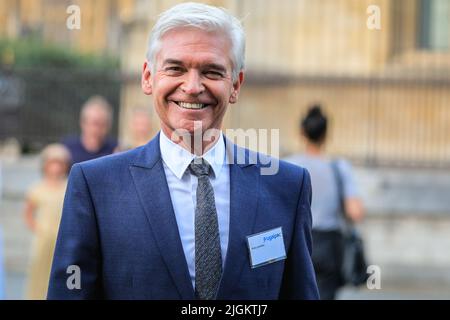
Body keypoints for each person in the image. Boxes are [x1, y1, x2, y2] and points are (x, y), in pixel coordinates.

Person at [48, 2, 319, 300]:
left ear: (236, 85)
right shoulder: (96, 187)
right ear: (148, 77)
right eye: (175, 68)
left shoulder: (287, 188)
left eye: (212, 71)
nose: (192, 86)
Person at [285, 105, 364, 300]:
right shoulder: (338, 167)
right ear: (326, 134)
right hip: (329, 246)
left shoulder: (288, 166)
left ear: (302, 132)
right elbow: (355, 212)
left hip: (296, 243)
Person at [24, 144, 70, 299]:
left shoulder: (68, 186)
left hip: (62, 239)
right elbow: (28, 213)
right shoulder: (37, 188)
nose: (56, 167)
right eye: (52, 163)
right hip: (43, 240)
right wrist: (39, 229)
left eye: (59, 163)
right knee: (39, 273)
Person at [63, 96, 117, 165]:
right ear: (83, 123)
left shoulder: (115, 151)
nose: (97, 129)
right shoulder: (67, 149)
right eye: (95, 123)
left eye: (103, 124)